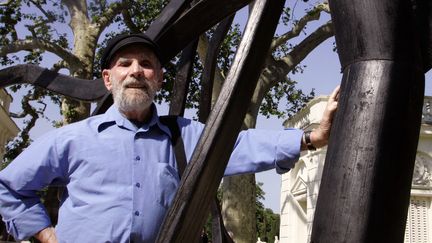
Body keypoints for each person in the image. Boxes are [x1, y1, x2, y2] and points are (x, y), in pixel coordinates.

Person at [0, 33, 340, 243]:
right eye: (125, 63)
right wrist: (46, 236)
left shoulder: (184, 135)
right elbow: (9, 186)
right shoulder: (71, 139)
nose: (136, 70)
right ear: (107, 78)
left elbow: (240, 145)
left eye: (147, 64)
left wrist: (312, 137)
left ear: (159, 79)